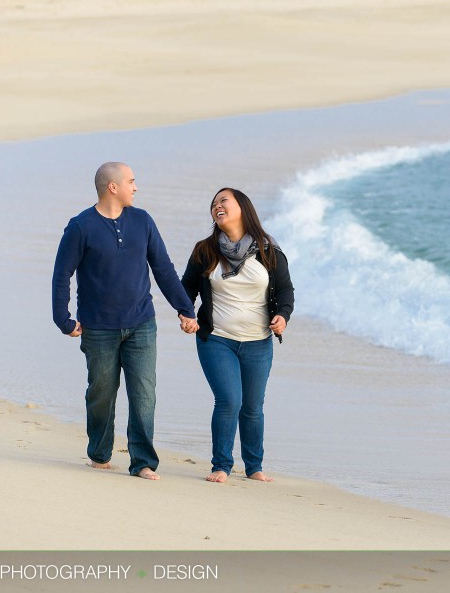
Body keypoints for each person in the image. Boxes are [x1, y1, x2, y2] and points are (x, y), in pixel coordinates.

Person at [52, 162, 199, 480]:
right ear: (112, 187)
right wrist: (63, 319)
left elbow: (163, 268)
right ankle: (100, 452)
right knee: (101, 392)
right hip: (98, 328)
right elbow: (62, 274)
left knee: (144, 392)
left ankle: (143, 462)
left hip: (141, 323)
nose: (136, 187)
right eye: (131, 181)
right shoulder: (81, 227)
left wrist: (185, 309)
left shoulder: (143, 221)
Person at [181, 187, 294, 483]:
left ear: (242, 207)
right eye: (214, 203)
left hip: (258, 343)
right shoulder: (205, 250)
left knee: (253, 407)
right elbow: (185, 289)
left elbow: (285, 291)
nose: (217, 206)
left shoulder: (268, 251)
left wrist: (282, 315)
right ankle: (221, 465)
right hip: (216, 339)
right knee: (229, 400)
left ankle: (254, 467)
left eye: (223, 201)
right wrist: (187, 315)